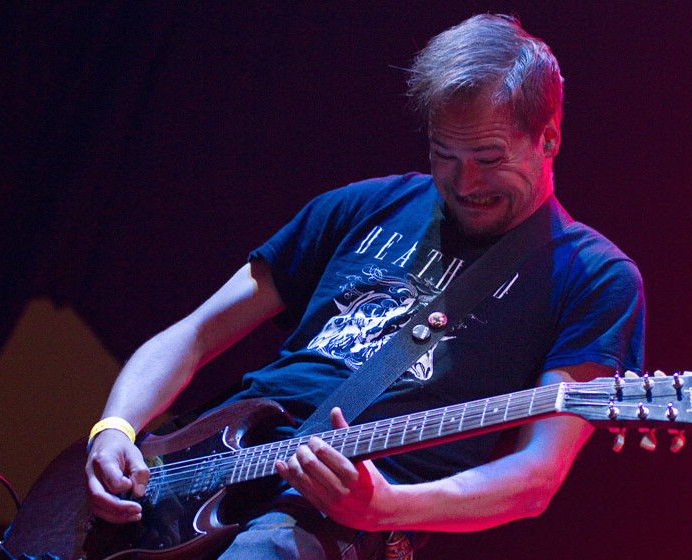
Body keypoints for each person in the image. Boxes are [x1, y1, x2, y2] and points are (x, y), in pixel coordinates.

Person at [85, 13, 644, 559]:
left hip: (333, 522)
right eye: (444, 155)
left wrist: (386, 507)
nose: (465, 183)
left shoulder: (594, 278)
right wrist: (114, 428)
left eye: (489, 158)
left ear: (548, 139)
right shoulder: (366, 204)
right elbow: (196, 333)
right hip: (195, 473)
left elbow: (535, 477)